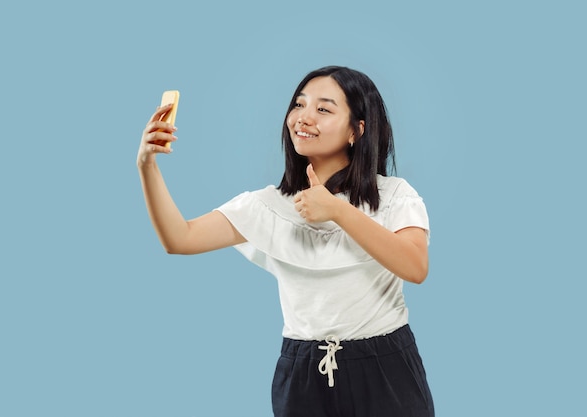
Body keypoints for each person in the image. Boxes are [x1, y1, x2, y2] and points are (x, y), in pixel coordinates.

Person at [137, 66, 435, 417]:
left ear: (357, 130)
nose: (303, 118)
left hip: (385, 367)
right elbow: (179, 238)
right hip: (303, 373)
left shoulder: (394, 196)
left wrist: (338, 211)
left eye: (323, 109)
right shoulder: (268, 206)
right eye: (299, 105)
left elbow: (415, 267)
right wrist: (147, 165)